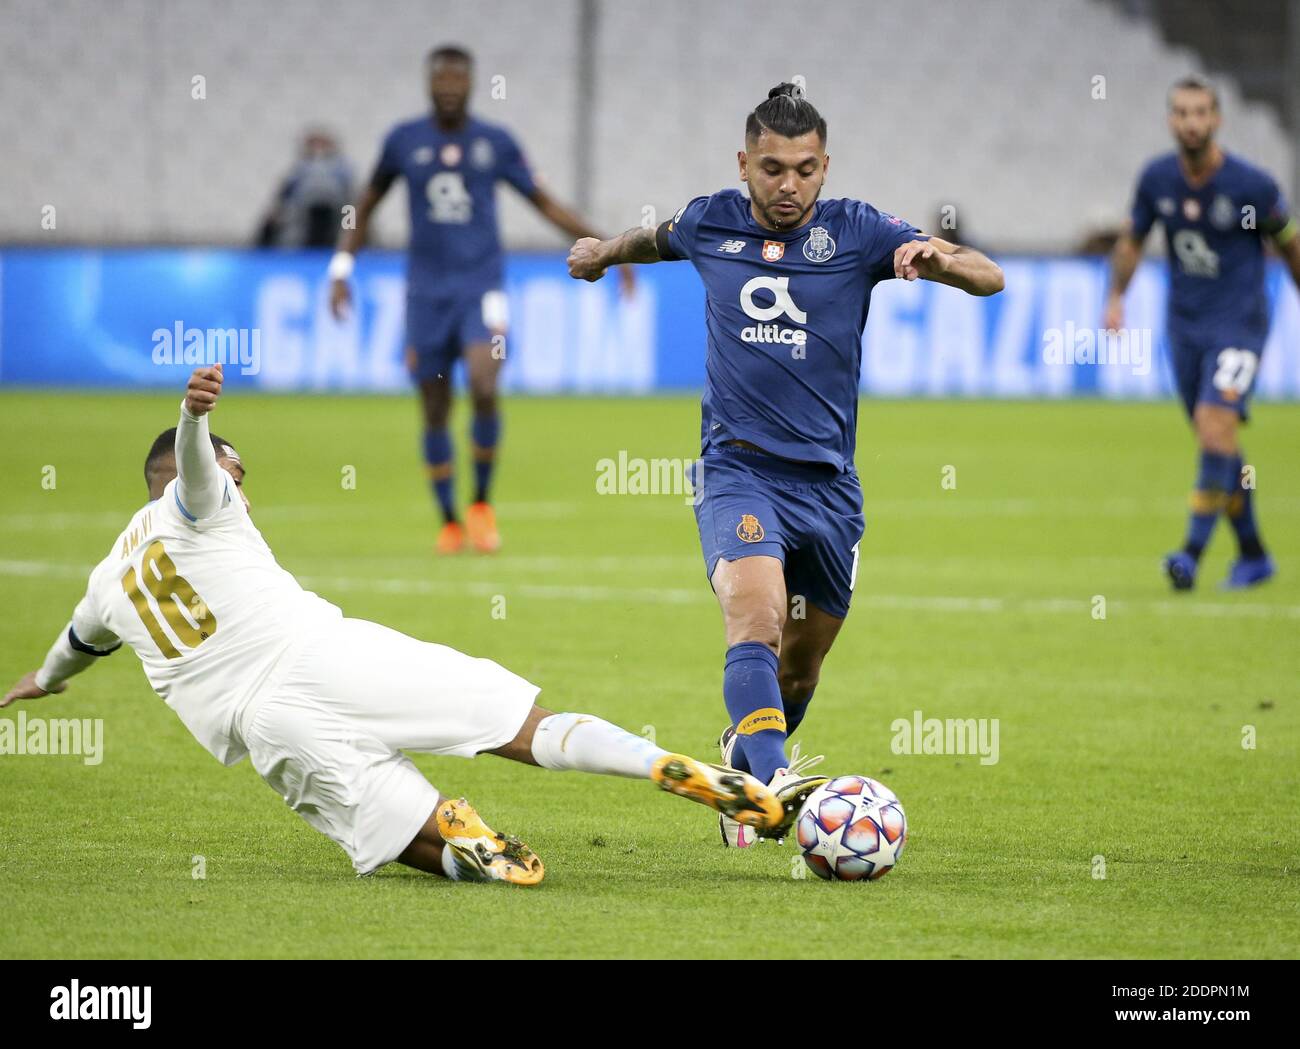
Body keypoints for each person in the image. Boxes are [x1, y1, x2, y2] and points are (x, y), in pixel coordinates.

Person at [2, 365, 782, 885]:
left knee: (397, 837)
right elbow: (197, 470)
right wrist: (193, 418)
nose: (244, 488)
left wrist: (40, 682)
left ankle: (456, 832)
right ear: (202, 472)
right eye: (240, 474)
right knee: (520, 724)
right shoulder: (197, 498)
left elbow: (74, 646)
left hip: (265, 726)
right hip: (325, 652)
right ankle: (661, 764)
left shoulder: (107, 579)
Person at [567, 84, 1003, 848]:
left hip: (831, 489)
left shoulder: (862, 232)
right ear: (744, 163)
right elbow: (652, 239)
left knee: (799, 671)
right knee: (756, 617)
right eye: (771, 168)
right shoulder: (710, 222)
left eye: (804, 169)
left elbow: (988, 275)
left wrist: (940, 257)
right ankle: (768, 787)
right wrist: (602, 253)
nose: (788, 186)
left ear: (825, 167)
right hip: (739, 469)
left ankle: (745, 750)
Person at [328, 44, 633, 554]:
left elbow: (544, 203)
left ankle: (482, 505)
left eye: (457, 80)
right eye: (440, 80)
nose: (448, 88)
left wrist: (606, 247)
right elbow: (365, 203)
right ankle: (448, 520)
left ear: (470, 84)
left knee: (485, 386)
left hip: (482, 288)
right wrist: (341, 267)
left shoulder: (494, 143)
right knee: (434, 406)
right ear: (429, 84)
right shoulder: (404, 141)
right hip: (425, 294)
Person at [1105, 75, 1300, 590]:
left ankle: (1190, 554)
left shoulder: (1251, 187)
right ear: (1171, 120)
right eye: (1181, 113)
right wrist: (1116, 298)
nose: (1191, 122)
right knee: (1219, 441)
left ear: (1216, 120)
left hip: (1240, 323)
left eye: (1200, 113)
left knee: (1216, 427)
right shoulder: (1157, 180)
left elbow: (1290, 243)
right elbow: (1132, 241)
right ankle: (1255, 553)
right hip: (1184, 329)